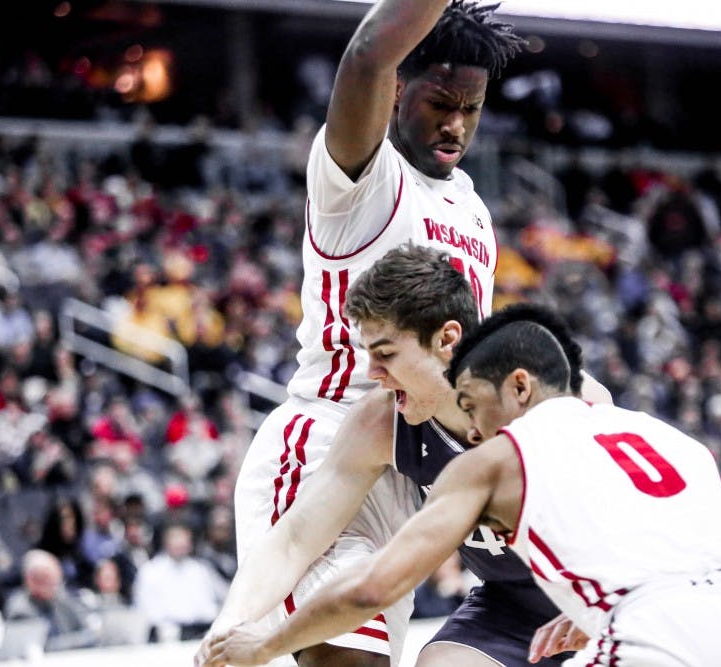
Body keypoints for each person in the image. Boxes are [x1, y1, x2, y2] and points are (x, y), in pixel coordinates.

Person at [202, 305, 721, 667]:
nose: (471, 426)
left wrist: (264, 642)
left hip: (658, 629)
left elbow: (372, 586)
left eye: (473, 405)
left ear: (521, 387)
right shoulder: (665, 439)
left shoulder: (501, 456)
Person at [218, 2, 524, 666]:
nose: (455, 123)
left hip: (408, 467)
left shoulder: (471, 207)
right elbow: (365, 54)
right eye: (439, 101)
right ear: (394, 95)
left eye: (470, 108)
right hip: (329, 444)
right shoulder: (361, 178)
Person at [197, 247, 609, 667]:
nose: (371, 372)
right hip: (510, 607)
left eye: (386, 354)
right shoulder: (383, 420)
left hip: (611, 591)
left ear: (447, 339)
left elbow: (641, 520)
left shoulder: (560, 400)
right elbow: (295, 539)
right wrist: (228, 626)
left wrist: (605, 602)